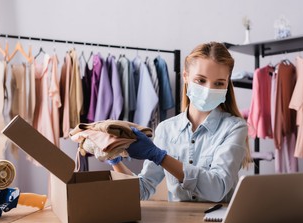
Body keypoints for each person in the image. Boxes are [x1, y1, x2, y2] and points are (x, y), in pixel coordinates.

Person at [108, 41, 251, 202]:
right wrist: (115, 160)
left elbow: (217, 189)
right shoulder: (166, 129)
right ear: (186, 77)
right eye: (201, 80)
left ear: (227, 84)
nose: (208, 90)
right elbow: (142, 189)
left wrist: (161, 157)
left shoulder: (234, 127)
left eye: (219, 83)